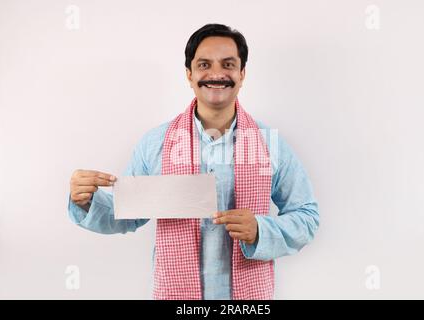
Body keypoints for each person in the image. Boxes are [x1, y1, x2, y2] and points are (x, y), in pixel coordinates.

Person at [68, 23, 319, 300]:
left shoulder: (268, 144)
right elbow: (127, 214)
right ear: (189, 75)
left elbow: (306, 216)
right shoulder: (156, 143)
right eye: (204, 64)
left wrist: (261, 229)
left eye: (228, 64)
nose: (216, 74)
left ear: (242, 73)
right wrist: (86, 201)